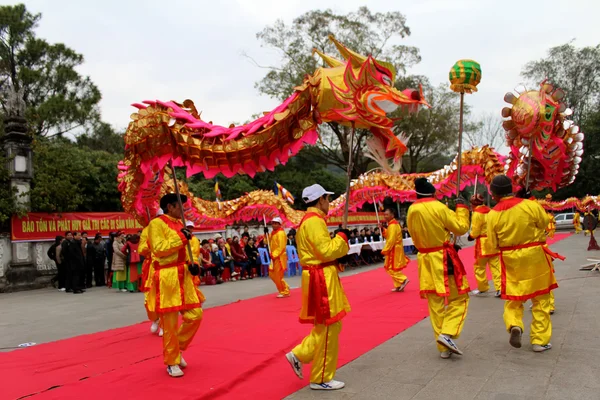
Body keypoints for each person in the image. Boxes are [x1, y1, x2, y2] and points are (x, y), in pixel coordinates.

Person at [285, 184, 350, 391]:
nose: (329, 203)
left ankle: (300, 354)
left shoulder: (310, 220)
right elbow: (326, 251)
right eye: (327, 199)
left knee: (328, 326)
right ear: (321, 199)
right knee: (329, 328)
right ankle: (320, 377)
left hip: (319, 274)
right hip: (321, 277)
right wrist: (341, 238)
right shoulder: (314, 222)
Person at [487, 175, 559, 353]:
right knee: (541, 299)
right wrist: (530, 201)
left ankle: (514, 324)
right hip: (534, 255)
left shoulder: (492, 214)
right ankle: (539, 341)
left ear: (494, 194)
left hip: (510, 259)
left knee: (513, 299)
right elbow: (544, 222)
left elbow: (492, 243)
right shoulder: (529, 205)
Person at [406, 178, 471, 359]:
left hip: (424, 259)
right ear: (433, 193)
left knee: (435, 304)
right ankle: (448, 333)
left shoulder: (412, 210)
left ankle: (443, 348)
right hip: (443, 258)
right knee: (460, 298)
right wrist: (462, 209)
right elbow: (461, 228)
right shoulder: (440, 207)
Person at [147, 193, 204, 377]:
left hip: (184, 276)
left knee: (195, 315)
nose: (183, 209)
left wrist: (193, 263)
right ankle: (171, 361)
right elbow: (159, 249)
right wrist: (181, 238)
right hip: (167, 277)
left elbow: (188, 251)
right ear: (170, 207)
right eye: (180, 206)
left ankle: (176, 349)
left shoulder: (180, 225)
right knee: (170, 324)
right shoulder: (156, 224)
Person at [469, 193, 502, 297]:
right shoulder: (491, 211)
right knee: (496, 266)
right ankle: (500, 287)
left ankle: (483, 287)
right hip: (493, 241)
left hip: (482, 244)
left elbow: (475, 231)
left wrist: (471, 236)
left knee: (479, 267)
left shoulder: (477, 214)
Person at [139, 210, 163, 337]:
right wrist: (149, 246)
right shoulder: (146, 230)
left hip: (165, 265)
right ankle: (155, 319)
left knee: (164, 295)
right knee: (149, 297)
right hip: (151, 268)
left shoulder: (169, 228)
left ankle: (165, 323)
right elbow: (141, 249)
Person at [381, 208, 410, 292]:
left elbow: (391, 239)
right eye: (384, 215)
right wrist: (383, 230)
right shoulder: (392, 224)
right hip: (395, 248)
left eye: (387, 214)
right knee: (394, 268)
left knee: (390, 268)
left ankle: (403, 279)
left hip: (393, 249)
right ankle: (399, 285)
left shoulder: (393, 225)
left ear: (392, 215)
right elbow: (389, 235)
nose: (385, 216)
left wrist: (385, 250)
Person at [267, 217, 290, 298]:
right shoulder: (273, 233)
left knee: (278, 275)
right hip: (273, 257)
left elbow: (281, 246)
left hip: (279, 257)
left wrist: (274, 254)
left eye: (276, 223)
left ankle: (285, 290)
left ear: (279, 225)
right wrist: (265, 234)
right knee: (272, 274)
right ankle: (283, 289)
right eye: (273, 223)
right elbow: (267, 242)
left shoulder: (281, 233)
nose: (274, 225)